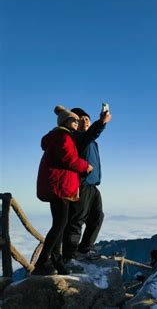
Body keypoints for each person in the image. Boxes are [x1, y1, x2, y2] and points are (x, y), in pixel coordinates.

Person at [33, 106, 93, 275]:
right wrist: (85, 166)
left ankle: (55, 262)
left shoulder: (58, 137)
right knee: (60, 225)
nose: (77, 122)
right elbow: (69, 159)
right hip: (59, 187)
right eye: (74, 120)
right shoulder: (63, 137)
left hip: (58, 186)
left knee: (59, 224)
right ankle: (42, 263)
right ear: (66, 122)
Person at [62, 106, 111, 262]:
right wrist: (101, 122)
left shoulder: (91, 141)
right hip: (81, 185)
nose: (86, 121)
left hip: (93, 185)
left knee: (97, 217)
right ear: (75, 122)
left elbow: (91, 135)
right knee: (77, 220)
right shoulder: (77, 138)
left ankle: (84, 249)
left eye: (88, 119)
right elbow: (91, 134)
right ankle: (68, 257)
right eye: (82, 119)